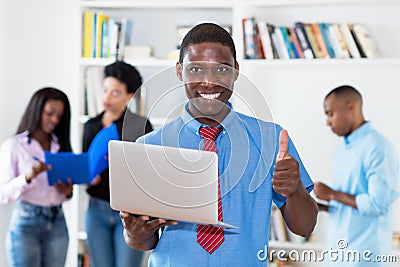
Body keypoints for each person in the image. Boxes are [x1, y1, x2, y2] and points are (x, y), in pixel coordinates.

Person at [119, 22, 318, 266]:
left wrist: (294, 189)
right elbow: (141, 242)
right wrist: (136, 233)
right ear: (180, 70)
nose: (209, 82)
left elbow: (305, 227)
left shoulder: (271, 139)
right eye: (196, 70)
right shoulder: (149, 147)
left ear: (235, 70)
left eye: (221, 70)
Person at [314, 85, 399, 266]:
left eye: (330, 114)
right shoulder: (341, 150)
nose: (327, 122)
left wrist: (332, 194)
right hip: (336, 256)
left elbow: (377, 204)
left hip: (363, 258)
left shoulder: (377, 147)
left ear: (351, 108)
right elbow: (351, 204)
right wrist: (321, 206)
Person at [83, 60, 153, 267]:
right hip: (96, 209)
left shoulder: (139, 126)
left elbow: (147, 169)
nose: (106, 97)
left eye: (115, 93)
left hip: (129, 212)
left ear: (129, 95)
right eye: (105, 90)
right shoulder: (91, 125)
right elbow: (87, 164)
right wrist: (88, 177)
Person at [0, 87, 73, 266]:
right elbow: (3, 194)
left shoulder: (60, 146)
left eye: (59, 116)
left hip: (57, 221)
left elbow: (66, 191)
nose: (55, 120)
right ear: (37, 110)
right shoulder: (15, 146)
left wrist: (67, 192)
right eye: (50, 113)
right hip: (27, 223)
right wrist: (28, 177)